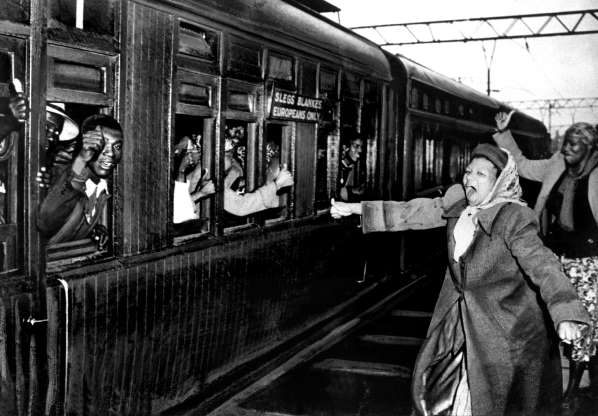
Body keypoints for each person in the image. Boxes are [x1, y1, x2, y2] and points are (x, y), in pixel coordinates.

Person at [331, 143, 590, 415]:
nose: (470, 179)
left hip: (506, 332)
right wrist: (356, 209)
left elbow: (543, 264)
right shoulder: (459, 206)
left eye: (481, 174)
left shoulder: (514, 217)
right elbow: (411, 212)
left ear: (499, 181)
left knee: (492, 402)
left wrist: (566, 312)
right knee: (438, 392)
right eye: (468, 172)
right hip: (461, 324)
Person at [494, 111, 598, 408]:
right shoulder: (557, 164)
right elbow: (523, 166)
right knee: (546, 315)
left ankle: (573, 390)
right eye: (565, 145)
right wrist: (504, 134)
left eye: (573, 148)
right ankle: (553, 375)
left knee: (582, 323)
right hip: (554, 253)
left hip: (590, 260)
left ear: (589, 149)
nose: (566, 151)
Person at [37, 115, 123, 249]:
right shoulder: (57, 175)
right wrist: (81, 160)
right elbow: (46, 223)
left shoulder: (102, 187)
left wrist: (94, 230)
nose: (111, 153)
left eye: (117, 147)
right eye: (103, 144)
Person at [222, 136, 293, 217]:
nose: (232, 158)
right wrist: (277, 184)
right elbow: (240, 206)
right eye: (228, 154)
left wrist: (235, 171)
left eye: (232, 153)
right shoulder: (213, 179)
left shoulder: (232, 169)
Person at [173, 135, 215, 224]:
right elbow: (181, 212)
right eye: (193, 147)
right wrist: (201, 193)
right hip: (184, 228)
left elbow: (183, 201)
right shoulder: (178, 178)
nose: (199, 152)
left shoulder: (184, 177)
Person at [337, 135, 364, 202]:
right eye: (356, 146)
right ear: (345, 147)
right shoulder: (336, 167)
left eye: (361, 147)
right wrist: (351, 191)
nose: (360, 150)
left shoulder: (356, 168)